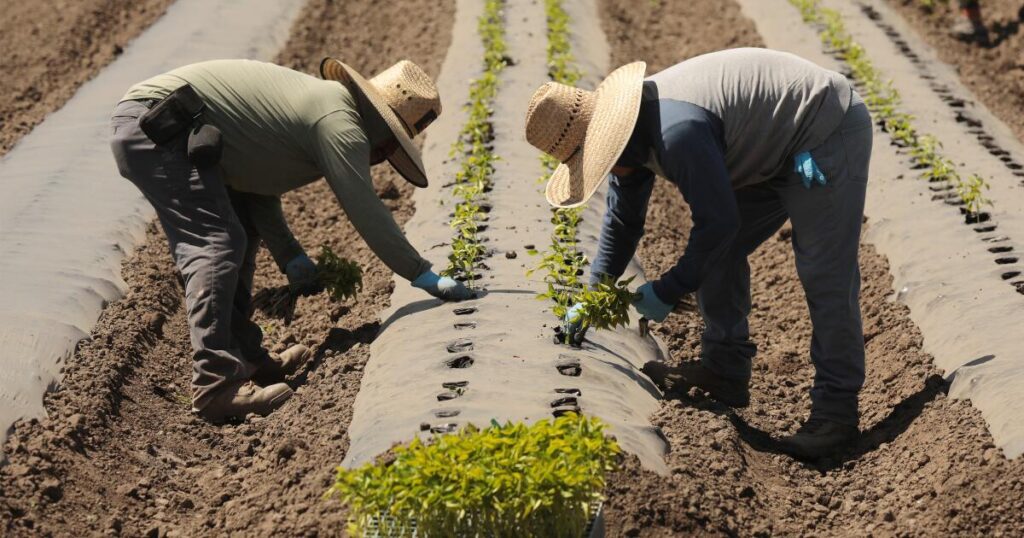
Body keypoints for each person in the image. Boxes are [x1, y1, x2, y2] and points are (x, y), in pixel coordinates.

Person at [524, 48, 873, 460]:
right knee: (715, 256)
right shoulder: (632, 143)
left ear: (609, 142)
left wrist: (667, 290)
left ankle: (836, 414)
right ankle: (724, 369)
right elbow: (623, 223)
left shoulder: (678, 133)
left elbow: (718, 225)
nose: (601, 172)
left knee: (824, 274)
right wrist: (593, 294)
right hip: (769, 143)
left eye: (595, 163)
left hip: (823, 130)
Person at [110, 58, 472, 422]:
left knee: (240, 231)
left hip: (174, 123)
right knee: (216, 244)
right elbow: (364, 205)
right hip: (157, 124)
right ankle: (215, 386)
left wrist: (290, 255)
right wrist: (421, 273)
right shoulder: (338, 123)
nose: (382, 155)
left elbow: (256, 187)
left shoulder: (325, 107)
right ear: (379, 120)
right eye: (390, 141)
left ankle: (248, 358)